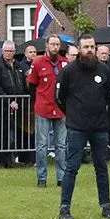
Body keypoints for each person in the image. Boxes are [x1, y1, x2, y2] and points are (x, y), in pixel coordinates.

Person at [54, 33, 110, 219]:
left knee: (101, 167)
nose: (89, 50)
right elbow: (59, 97)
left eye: (92, 47)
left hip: (99, 127)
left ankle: (106, 206)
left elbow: (108, 96)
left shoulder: (104, 70)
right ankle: (64, 208)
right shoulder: (68, 71)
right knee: (72, 167)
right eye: (86, 47)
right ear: (79, 49)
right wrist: (73, 113)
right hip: (77, 127)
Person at [27, 36, 68, 188]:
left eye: (57, 44)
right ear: (47, 45)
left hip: (61, 109)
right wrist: (37, 102)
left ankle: (62, 177)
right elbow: (31, 85)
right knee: (42, 145)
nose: (55, 47)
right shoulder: (38, 63)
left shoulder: (65, 63)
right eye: (52, 44)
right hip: (43, 108)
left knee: (61, 145)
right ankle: (42, 177)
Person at [0, 40, 28, 167]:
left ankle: (15, 158)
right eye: (6, 51)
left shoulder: (18, 65)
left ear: (14, 52)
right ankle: (3, 160)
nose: (9, 53)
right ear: (2, 51)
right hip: (2, 105)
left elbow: (22, 83)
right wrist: (9, 101)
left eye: (11, 51)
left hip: (19, 104)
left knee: (18, 132)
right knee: (3, 132)